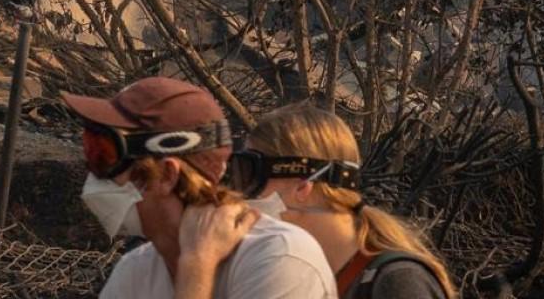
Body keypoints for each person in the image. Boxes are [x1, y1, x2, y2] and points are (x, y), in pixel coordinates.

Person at [61, 76, 337, 299]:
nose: (94, 174)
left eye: (105, 156)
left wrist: (196, 269)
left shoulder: (279, 258)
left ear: (167, 175)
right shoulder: (135, 271)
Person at [189, 103, 456, 299]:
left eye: (249, 174)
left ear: (302, 186)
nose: (241, 194)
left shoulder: (396, 283)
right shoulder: (299, 277)